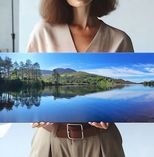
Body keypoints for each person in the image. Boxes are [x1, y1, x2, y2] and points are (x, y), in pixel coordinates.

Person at [27, 0, 134, 156]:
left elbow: (128, 98)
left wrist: (113, 113)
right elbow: (28, 87)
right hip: (50, 141)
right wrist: (33, 111)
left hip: (101, 141)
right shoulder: (42, 31)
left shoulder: (119, 39)